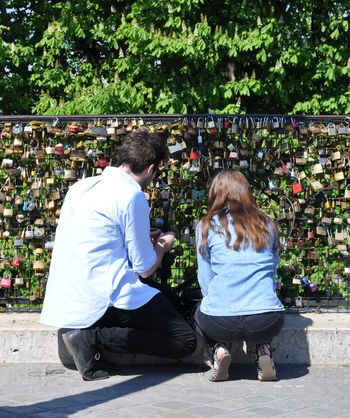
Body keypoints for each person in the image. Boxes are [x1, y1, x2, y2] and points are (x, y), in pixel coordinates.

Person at [39, 128, 197, 381]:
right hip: (104, 295)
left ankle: (90, 335)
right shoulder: (131, 194)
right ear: (151, 169)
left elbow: (100, 238)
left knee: (166, 298)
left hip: (72, 293)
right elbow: (145, 267)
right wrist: (163, 245)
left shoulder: (82, 186)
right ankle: (90, 338)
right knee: (184, 339)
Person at [194, 169, 285, 382]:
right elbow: (271, 273)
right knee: (265, 301)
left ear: (215, 193)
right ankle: (264, 350)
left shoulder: (206, 225)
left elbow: (205, 280)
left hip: (220, 321)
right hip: (267, 320)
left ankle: (219, 350)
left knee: (199, 310)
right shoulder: (267, 224)